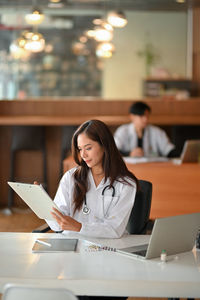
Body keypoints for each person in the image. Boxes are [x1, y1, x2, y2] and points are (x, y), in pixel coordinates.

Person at [46, 119, 138, 238]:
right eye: (80, 149)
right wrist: (42, 204)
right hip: (72, 244)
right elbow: (57, 224)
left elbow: (114, 229)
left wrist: (79, 227)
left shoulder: (126, 184)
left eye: (88, 148)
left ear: (104, 146)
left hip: (108, 248)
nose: (83, 155)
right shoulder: (71, 177)